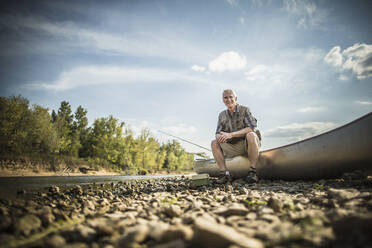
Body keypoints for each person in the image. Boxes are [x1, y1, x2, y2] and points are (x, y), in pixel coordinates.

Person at [211, 89, 260, 183]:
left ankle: (252, 172)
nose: (228, 100)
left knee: (251, 135)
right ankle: (224, 174)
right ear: (223, 100)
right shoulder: (221, 115)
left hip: (247, 144)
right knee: (214, 142)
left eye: (231, 97)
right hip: (232, 147)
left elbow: (251, 128)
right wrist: (220, 137)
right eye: (225, 98)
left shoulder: (245, 109)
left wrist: (231, 135)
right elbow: (217, 132)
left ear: (236, 98)